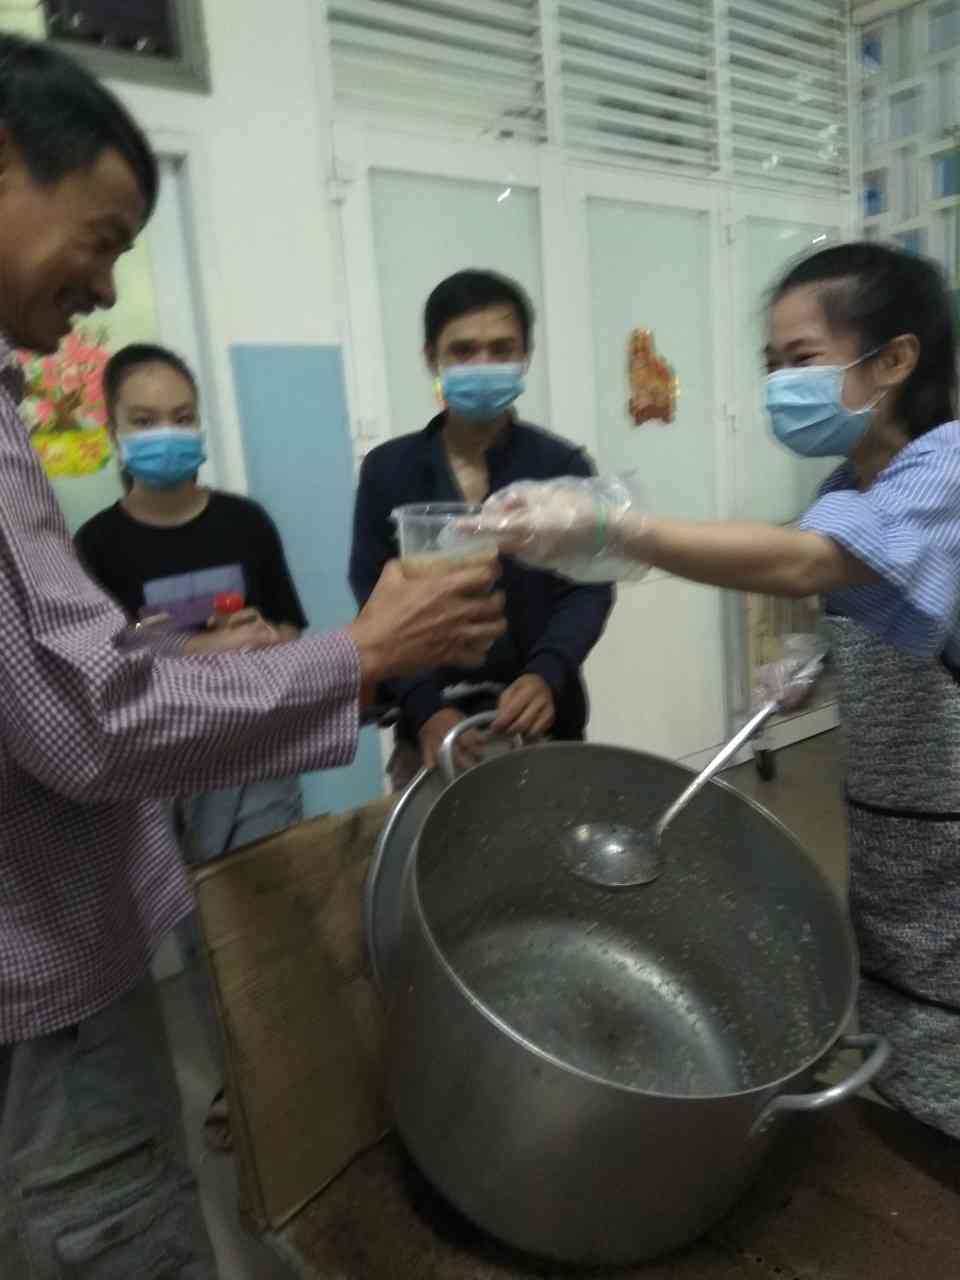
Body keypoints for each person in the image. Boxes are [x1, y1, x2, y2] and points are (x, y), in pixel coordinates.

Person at [0, 34, 505, 1278]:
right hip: (53, 962)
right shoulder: (382, 474)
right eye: (101, 239)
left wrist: (222, 652)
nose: (105, 284)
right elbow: (87, 716)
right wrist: (366, 656)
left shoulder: (527, 464)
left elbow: (71, 669)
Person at [480, 241, 960, 1140]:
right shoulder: (850, 483)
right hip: (895, 831)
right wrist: (821, 661)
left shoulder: (950, 465)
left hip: (947, 833)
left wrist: (616, 529)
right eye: (771, 363)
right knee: (904, 1055)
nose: (780, 386)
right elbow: (899, 605)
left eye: (802, 359)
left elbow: (809, 562)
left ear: (895, 358)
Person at [76, 342, 307, 1153]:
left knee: (270, 927)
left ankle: (287, 1082)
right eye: (145, 421)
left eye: (181, 418)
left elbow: (293, 630)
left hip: (255, 763)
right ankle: (235, 1087)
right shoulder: (96, 546)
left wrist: (264, 640)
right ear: (113, 430)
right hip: (162, 776)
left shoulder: (246, 523)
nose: (166, 435)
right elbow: (103, 675)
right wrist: (203, 650)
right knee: (203, 942)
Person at [349, 269, 614, 787]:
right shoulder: (389, 471)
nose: (483, 365)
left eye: (501, 349)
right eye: (463, 350)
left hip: (542, 722)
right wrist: (425, 708)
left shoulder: (562, 467)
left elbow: (589, 587)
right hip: (430, 735)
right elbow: (371, 594)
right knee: (433, 838)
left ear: (525, 356)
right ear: (432, 357)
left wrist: (547, 673)